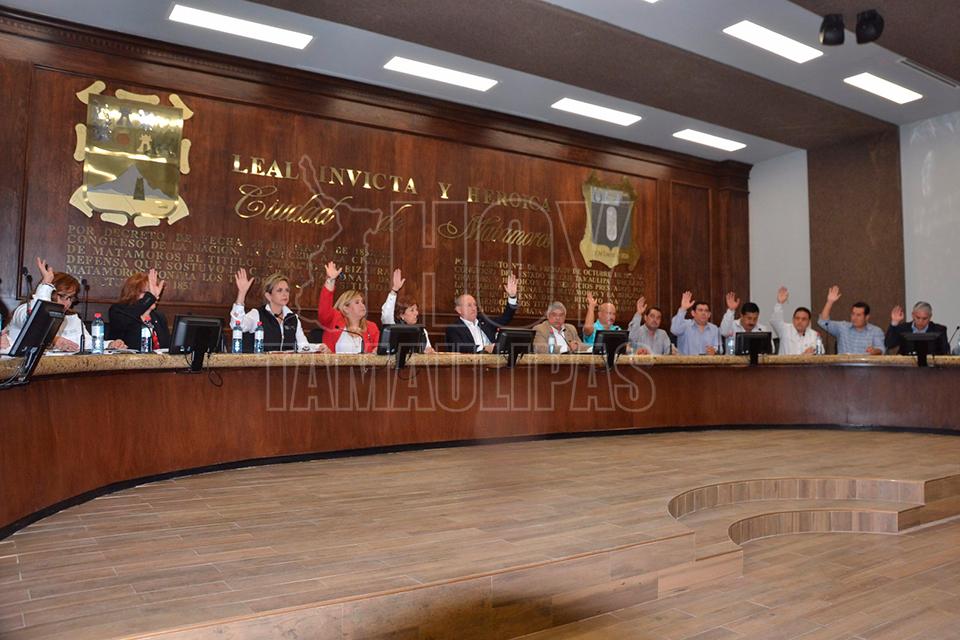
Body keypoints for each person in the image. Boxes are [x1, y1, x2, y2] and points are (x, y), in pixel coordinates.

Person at [7, 257, 125, 352]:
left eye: (70, 298)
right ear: (50, 293)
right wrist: (53, 340)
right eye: (62, 296)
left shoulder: (71, 318)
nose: (67, 302)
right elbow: (36, 319)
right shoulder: (23, 310)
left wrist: (110, 344)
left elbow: (87, 343)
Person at [232, 268, 328, 352]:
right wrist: (241, 294)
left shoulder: (293, 318)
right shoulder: (257, 314)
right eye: (279, 290)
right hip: (261, 366)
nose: (285, 294)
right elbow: (237, 325)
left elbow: (302, 346)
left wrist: (318, 347)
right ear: (268, 296)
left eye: (287, 290)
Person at [444, 272, 519, 353]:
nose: (474, 308)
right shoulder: (453, 328)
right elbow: (459, 348)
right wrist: (484, 348)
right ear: (459, 310)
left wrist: (512, 297)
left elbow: (505, 318)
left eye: (475, 305)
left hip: (494, 359)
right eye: (469, 305)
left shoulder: (484, 321)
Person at [317, 261, 380, 353]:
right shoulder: (334, 320)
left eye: (362, 302)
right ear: (346, 308)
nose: (362, 305)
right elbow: (324, 310)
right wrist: (330, 280)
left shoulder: (371, 327)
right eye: (357, 302)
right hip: (334, 363)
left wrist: (377, 352)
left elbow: (378, 351)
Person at [109, 269, 171, 352]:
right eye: (148, 292)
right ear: (134, 293)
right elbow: (128, 318)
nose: (156, 296)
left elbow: (167, 347)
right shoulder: (119, 311)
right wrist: (150, 298)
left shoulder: (159, 317)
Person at [381, 268, 435, 354]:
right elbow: (386, 314)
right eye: (412, 310)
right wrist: (394, 290)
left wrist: (429, 351)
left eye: (416, 309)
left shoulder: (422, 331)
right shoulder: (393, 327)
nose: (416, 313)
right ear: (401, 315)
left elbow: (428, 349)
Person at [818, 285, 884, 355]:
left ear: (867, 317)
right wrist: (829, 302)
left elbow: (881, 349)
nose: (854, 318)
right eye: (853, 314)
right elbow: (823, 322)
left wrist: (874, 351)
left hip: (864, 361)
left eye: (858, 315)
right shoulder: (842, 327)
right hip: (843, 361)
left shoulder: (876, 331)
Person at [885, 301, 950, 355]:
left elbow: (945, 352)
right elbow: (889, 344)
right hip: (906, 365)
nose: (921, 321)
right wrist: (895, 322)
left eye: (924, 318)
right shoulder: (903, 328)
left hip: (931, 365)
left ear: (930, 317)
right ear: (913, 315)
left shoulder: (939, 330)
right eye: (918, 318)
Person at [769, 287, 820, 355]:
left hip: (806, 362)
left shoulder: (814, 335)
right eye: (797, 318)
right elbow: (775, 321)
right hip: (785, 362)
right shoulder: (784, 330)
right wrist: (779, 303)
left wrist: (813, 351)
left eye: (804, 319)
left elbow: (820, 352)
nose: (800, 321)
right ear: (793, 320)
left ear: (809, 322)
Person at [670, 291, 721, 355]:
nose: (703, 313)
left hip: (708, 361)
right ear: (693, 313)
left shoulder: (714, 328)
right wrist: (683, 309)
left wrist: (714, 351)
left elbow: (719, 348)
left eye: (706, 311)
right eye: (700, 310)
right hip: (686, 361)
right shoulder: (685, 325)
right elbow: (675, 330)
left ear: (709, 315)